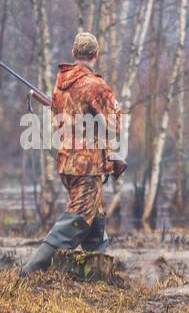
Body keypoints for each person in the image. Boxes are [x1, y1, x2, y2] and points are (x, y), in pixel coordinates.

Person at [19, 32, 126, 277]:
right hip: (87, 166)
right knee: (76, 221)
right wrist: (116, 110)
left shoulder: (60, 82)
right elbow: (114, 125)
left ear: (73, 53)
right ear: (96, 55)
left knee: (95, 220)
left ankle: (97, 276)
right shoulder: (95, 85)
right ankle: (31, 272)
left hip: (68, 163)